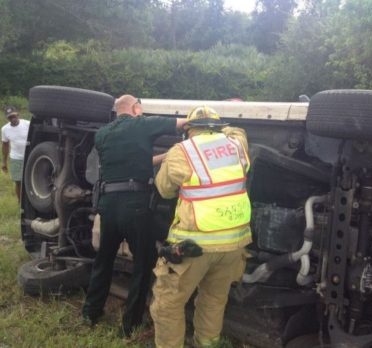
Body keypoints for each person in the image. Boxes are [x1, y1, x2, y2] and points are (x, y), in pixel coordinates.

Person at [82, 95, 187, 337]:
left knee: (104, 260)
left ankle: (90, 312)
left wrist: (166, 156)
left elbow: (137, 160)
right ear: (136, 108)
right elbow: (181, 123)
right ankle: (130, 325)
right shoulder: (142, 124)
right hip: (135, 205)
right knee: (144, 262)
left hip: (108, 204)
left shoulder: (102, 135)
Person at [151, 106, 252, 348]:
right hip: (234, 245)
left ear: (188, 130)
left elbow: (164, 189)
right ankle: (207, 344)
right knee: (214, 300)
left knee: (167, 304)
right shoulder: (237, 145)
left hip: (193, 245)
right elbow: (238, 130)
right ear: (216, 126)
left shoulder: (182, 151)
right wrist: (221, 127)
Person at [1, 106, 30, 201]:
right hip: (16, 158)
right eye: (10, 117)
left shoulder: (27, 124)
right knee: (18, 182)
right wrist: (4, 162)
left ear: (18, 114)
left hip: (29, 156)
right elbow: (5, 146)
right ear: (7, 118)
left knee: (29, 180)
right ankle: (20, 202)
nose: (13, 119)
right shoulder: (5, 129)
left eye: (14, 116)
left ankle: (30, 200)